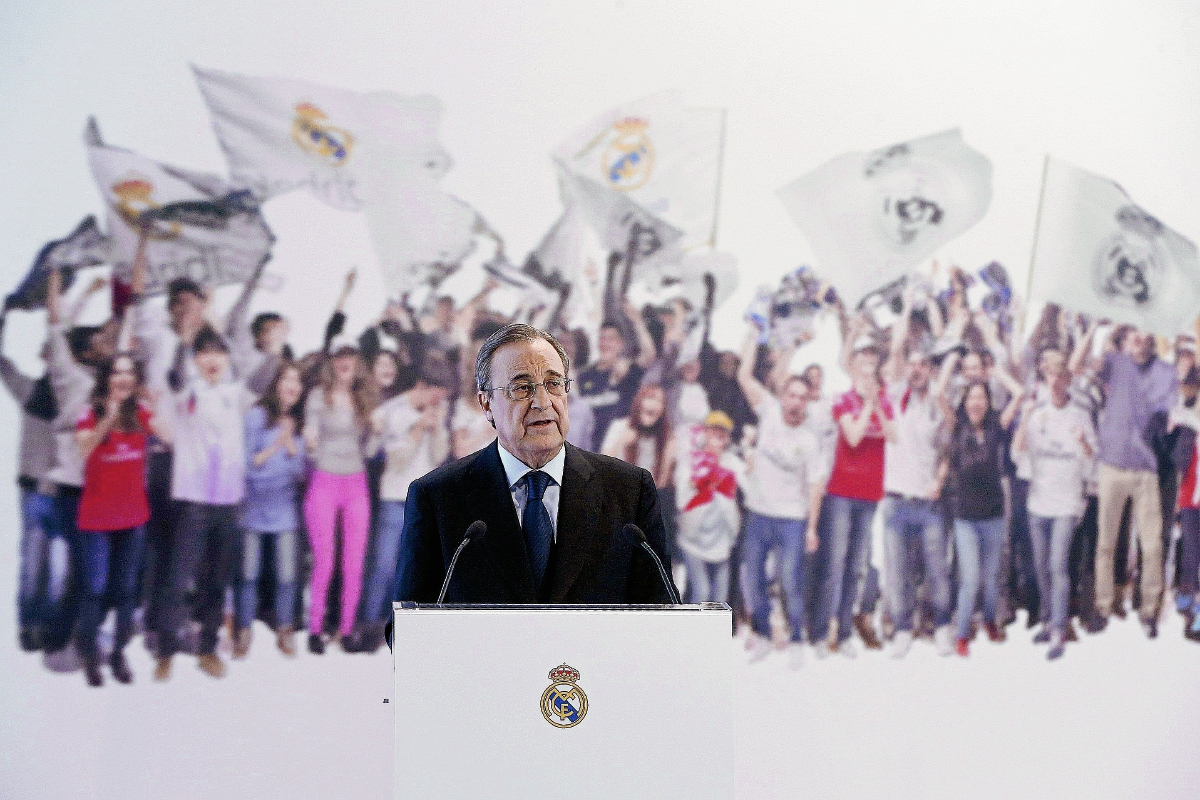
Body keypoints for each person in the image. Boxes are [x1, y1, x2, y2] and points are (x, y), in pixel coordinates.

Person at [394, 323, 676, 610]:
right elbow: (407, 629)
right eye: (521, 388)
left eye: (554, 384)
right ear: (486, 403)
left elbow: (662, 615)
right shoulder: (437, 497)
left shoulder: (629, 491)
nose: (542, 402)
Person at [154, 326, 256, 680]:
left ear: (227, 359)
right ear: (196, 359)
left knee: (217, 580)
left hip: (228, 502)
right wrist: (185, 340)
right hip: (194, 503)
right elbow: (175, 375)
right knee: (179, 578)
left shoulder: (236, 393)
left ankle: (208, 649)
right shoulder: (187, 392)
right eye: (204, 353)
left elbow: (262, 379)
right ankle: (165, 650)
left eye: (218, 353)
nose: (212, 359)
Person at [1073, 324, 1177, 637]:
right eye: (1135, 333)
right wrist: (1098, 328)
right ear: (1128, 335)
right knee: (1105, 543)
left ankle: (1148, 609)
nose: (1141, 338)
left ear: (1153, 337)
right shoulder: (1116, 362)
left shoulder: (1166, 371)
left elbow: (1164, 413)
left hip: (1146, 469)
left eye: (1147, 333)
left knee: (1152, 545)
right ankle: (1104, 606)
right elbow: (1076, 365)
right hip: (1112, 466)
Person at [735, 322, 828, 668]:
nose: (796, 402)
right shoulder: (769, 411)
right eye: (791, 394)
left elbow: (816, 485)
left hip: (792, 518)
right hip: (759, 513)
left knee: (791, 581)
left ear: (807, 402)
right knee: (753, 578)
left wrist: (812, 528)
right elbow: (745, 376)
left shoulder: (811, 439)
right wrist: (751, 332)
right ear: (783, 396)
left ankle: (797, 639)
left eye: (803, 397)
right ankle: (760, 634)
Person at [72, 353, 160, 685]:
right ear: (106, 379)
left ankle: (118, 654)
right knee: (95, 588)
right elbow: (84, 449)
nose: (122, 378)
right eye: (116, 372)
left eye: (129, 373)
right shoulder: (89, 412)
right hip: (96, 519)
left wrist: (158, 404)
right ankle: (90, 654)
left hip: (133, 517)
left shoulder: (140, 414)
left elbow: (171, 436)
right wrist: (107, 419)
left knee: (125, 591)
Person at [880, 294, 956, 658]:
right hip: (894, 500)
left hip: (928, 503)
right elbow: (895, 351)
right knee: (898, 572)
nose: (916, 370)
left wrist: (939, 481)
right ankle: (903, 628)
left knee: (936, 570)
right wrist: (908, 306)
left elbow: (946, 452)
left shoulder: (937, 405)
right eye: (912, 365)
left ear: (931, 369)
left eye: (923, 365)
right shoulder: (896, 396)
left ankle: (941, 626)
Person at [358, 360, 453, 649]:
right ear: (422, 387)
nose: (438, 402)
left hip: (421, 503)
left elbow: (438, 458)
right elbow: (393, 460)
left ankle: (395, 628)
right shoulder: (393, 412)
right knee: (383, 566)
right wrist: (416, 431)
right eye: (436, 395)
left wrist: (436, 430)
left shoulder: (435, 414)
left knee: (410, 569)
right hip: (393, 498)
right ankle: (368, 626)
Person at [812, 341, 897, 656]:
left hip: (870, 494)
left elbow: (893, 435)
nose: (868, 361)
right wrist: (868, 405)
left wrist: (876, 404)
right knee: (834, 565)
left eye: (873, 356)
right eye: (863, 355)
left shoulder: (883, 400)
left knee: (856, 567)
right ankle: (821, 633)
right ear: (854, 362)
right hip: (840, 493)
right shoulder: (843, 400)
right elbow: (854, 436)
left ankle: (845, 634)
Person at [1013, 368, 1096, 659]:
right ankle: (1048, 620)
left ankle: (1059, 629)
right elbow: (1017, 454)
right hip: (1038, 503)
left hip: (1067, 503)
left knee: (1058, 566)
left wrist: (1083, 441)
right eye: (1050, 378)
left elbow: (1092, 459)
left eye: (1061, 377)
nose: (1055, 383)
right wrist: (1023, 418)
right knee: (1042, 567)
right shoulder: (1036, 415)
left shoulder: (1080, 415)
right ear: (1044, 383)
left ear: (1068, 381)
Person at [302, 344, 379, 654]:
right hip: (324, 479)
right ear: (332, 362)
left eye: (351, 356)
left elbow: (371, 451)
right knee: (324, 560)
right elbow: (310, 438)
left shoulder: (364, 399)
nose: (346, 362)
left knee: (353, 563)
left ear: (357, 362)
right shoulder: (318, 396)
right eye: (340, 357)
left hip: (356, 482)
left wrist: (376, 432)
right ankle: (315, 628)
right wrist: (308, 442)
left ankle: (347, 629)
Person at [235, 361, 307, 659]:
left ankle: (285, 630)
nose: (293, 385)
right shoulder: (255, 416)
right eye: (287, 378)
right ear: (276, 383)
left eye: (297, 381)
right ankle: (243, 631)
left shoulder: (297, 422)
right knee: (248, 576)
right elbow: (247, 468)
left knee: (287, 577)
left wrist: (290, 447)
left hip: (284, 511)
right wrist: (277, 447)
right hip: (252, 510)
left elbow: (301, 474)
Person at [946, 380, 1022, 656]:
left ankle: (990, 620)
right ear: (965, 403)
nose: (976, 402)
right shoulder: (956, 425)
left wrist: (995, 371)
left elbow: (1020, 393)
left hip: (993, 514)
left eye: (981, 397)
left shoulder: (996, 428)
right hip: (965, 516)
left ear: (988, 402)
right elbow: (939, 393)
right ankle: (963, 633)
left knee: (991, 577)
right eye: (971, 397)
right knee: (970, 577)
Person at [0, 310, 59, 652]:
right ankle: (29, 623)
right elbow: (4, 366)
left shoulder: (75, 395)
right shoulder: (30, 390)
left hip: (63, 491)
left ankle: (45, 623)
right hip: (36, 488)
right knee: (35, 557)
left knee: (56, 562)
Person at [675, 411, 743, 605]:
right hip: (693, 539)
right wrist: (702, 482)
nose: (717, 437)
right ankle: (695, 633)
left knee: (720, 598)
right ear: (704, 433)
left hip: (721, 540)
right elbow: (682, 500)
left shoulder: (732, 463)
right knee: (702, 591)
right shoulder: (691, 461)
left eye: (722, 433)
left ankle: (715, 634)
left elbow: (752, 483)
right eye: (713, 431)